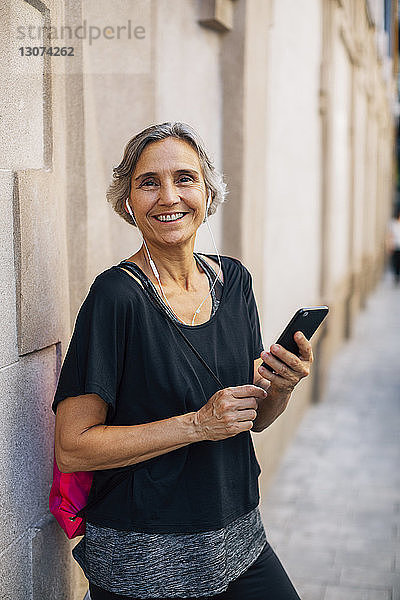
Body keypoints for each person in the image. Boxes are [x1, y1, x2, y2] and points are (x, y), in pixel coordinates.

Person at [52, 122, 313, 600]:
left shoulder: (234, 281)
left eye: (185, 178)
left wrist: (280, 387)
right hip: (143, 560)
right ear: (127, 201)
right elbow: (73, 447)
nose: (169, 196)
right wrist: (197, 424)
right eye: (148, 182)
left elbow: (252, 421)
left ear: (208, 191)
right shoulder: (116, 297)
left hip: (239, 543)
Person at [387, 207, 400, 284]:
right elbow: (390, 235)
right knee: (396, 262)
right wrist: (389, 245)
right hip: (395, 246)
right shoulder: (394, 224)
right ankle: (396, 276)